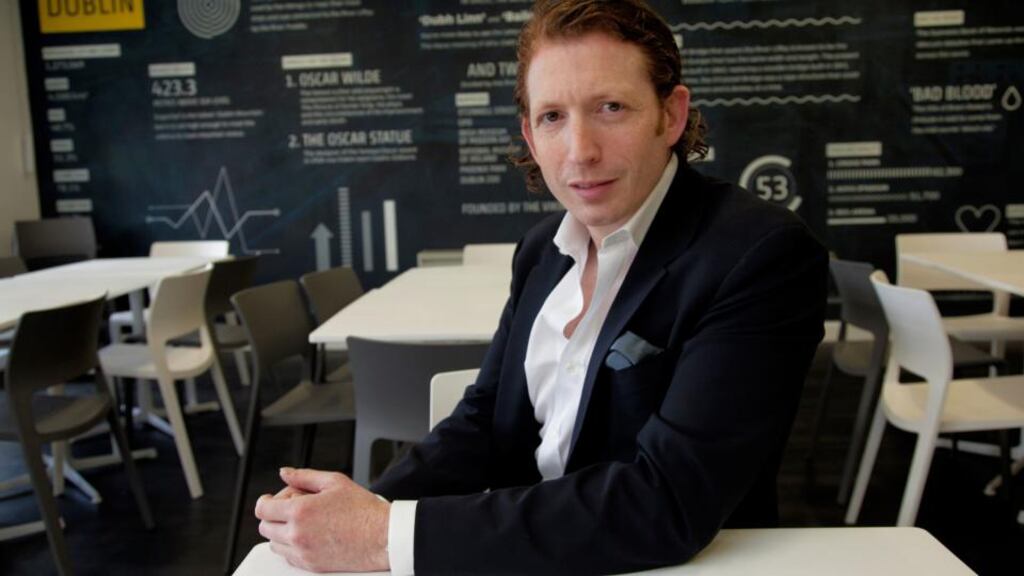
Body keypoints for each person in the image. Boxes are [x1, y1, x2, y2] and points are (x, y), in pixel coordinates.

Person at [254, 1, 828, 573]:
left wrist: (387, 536)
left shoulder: (757, 253)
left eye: (611, 107)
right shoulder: (539, 252)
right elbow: (486, 417)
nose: (580, 150)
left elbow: (668, 501)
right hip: (528, 553)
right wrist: (365, 508)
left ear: (671, 116)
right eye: (553, 116)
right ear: (530, 135)